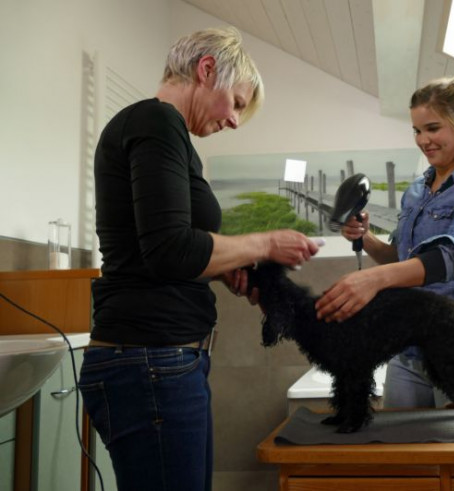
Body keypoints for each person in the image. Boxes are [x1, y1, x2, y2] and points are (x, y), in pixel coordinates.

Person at [79, 26, 319, 491]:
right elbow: (170, 250)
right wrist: (265, 243)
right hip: (150, 360)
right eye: (237, 103)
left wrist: (224, 267)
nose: (234, 121)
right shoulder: (156, 121)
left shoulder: (168, 134)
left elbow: (161, 246)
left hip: (163, 361)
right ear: (207, 70)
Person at [315, 74, 454, 409]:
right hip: (407, 349)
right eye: (417, 131)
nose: (423, 140)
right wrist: (366, 238)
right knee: (401, 442)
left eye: (432, 128)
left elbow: (450, 259)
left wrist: (372, 280)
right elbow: (403, 262)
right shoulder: (417, 190)